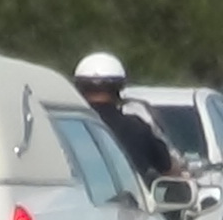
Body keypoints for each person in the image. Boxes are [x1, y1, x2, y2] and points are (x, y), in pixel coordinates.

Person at [73, 52, 182, 183]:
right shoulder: (136, 128)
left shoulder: (63, 127)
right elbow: (168, 168)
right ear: (119, 88)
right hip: (129, 201)